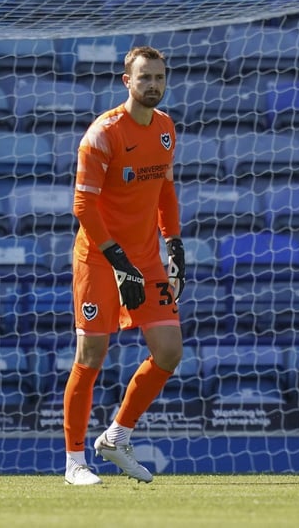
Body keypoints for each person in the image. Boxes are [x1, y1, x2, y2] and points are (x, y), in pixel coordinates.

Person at [62, 45, 186, 486]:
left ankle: (116, 437)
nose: (153, 84)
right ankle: (75, 462)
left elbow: (165, 191)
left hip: (146, 258)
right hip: (99, 256)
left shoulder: (167, 129)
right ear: (126, 81)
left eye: (159, 77)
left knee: (169, 351)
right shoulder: (103, 133)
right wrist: (117, 261)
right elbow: (83, 205)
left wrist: (174, 245)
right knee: (91, 354)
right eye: (144, 77)